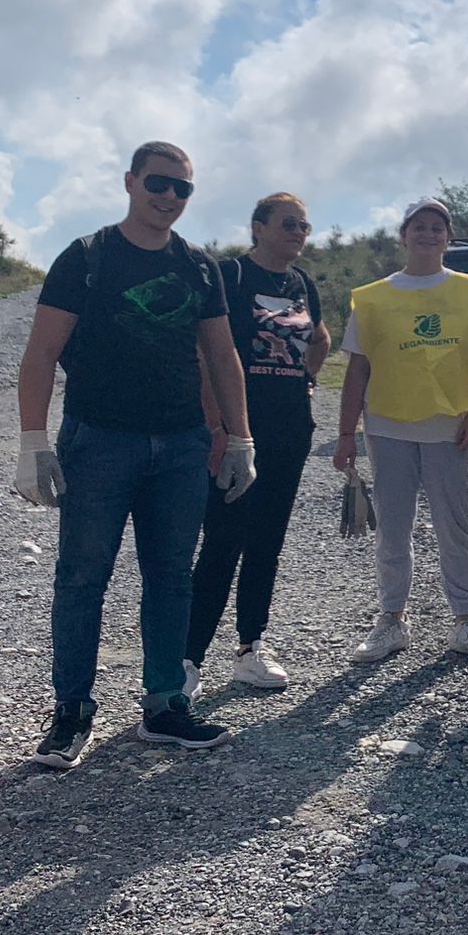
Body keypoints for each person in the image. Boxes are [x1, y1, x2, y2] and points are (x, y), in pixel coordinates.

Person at [15, 141, 253, 768]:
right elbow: (41, 352)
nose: (169, 196)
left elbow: (222, 354)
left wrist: (240, 437)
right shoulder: (86, 258)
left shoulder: (200, 268)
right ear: (130, 182)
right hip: (98, 441)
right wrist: (33, 441)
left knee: (171, 577)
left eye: (182, 188)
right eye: (158, 183)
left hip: (181, 445)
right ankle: (71, 712)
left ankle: (165, 704)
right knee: (82, 577)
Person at [332, 197, 468, 666]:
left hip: (450, 427)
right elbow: (358, 369)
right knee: (393, 527)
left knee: (456, 525)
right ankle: (391, 619)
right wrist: (346, 434)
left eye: (437, 227)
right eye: (419, 226)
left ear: (448, 238)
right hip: (388, 427)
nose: (428, 234)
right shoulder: (373, 298)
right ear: (403, 235)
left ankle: (466, 619)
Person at [183, 192, 329, 697]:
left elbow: (320, 339)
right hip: (237, 431)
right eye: (288, 223)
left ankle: (251, 648)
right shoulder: (231, 275)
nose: (298, 233)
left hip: (290, 430)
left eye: (304, 226)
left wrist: (305, 380)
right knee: (223, 541)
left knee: (267, 542)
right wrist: (217, 426)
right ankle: (187, 659)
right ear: (258, 227)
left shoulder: (302, 283)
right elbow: (205, 352)